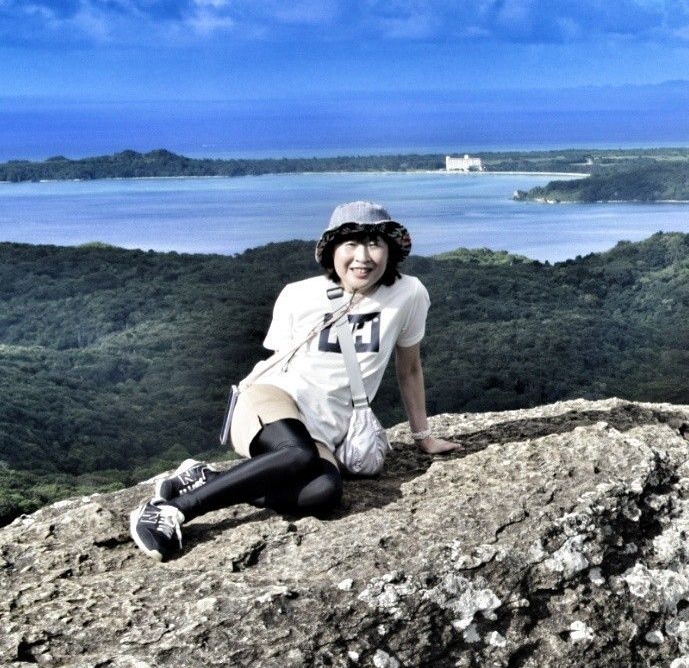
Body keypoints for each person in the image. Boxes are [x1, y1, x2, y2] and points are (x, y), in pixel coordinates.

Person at [129, 201, 463, 559]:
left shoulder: (409, 294)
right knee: (297, 453)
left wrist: (422, 436)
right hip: (272, 398)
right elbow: (279, 362)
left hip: (327, 424)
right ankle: (175, 509)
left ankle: (206, 478)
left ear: (390, 250)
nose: (362, 257)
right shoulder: (298, 294)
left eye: (375, 243)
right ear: (332, 250)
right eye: (350, 244)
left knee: (323, 493)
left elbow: (409, 368)